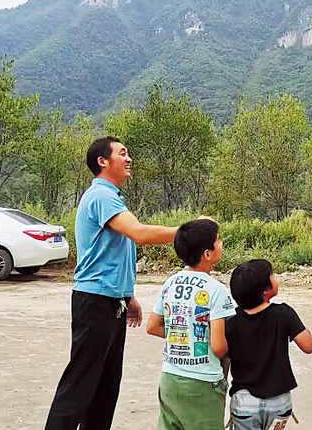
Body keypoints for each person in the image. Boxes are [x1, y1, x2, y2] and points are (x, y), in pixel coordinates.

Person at [45, 137, 179, 430]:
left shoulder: (113, 198)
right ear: (103, 162)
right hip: (94, 300)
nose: (129, 159)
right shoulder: (101, 197)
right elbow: (140, 234)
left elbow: (117, 254)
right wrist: (190, 231)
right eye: (123, 153)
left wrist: (127, 296)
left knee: (105, 387)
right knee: (81, 383)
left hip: (110, 300)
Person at [146, 217, 236, 430]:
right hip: (202, 384)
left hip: (169, 377)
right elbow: (218, 346)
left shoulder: (170, 282)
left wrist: (182, 336)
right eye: (218, 240)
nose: (221, 243)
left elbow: (152, 326)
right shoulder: (216, 290)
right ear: (207, 254)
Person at [226, 258, 312, 429]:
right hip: (279, 402)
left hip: (245, 402)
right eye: (272, 275)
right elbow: (308, 346)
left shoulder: (230, 319)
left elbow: (225, 357)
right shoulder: (283, 313)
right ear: (265, 290)